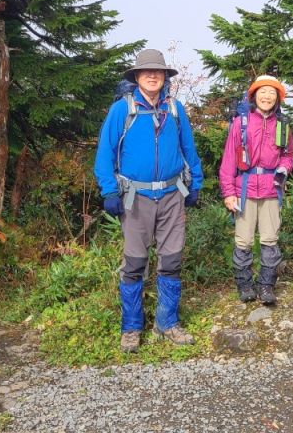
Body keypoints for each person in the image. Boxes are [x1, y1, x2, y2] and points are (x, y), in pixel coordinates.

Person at [94, 48, 205, 354]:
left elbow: (188, 150)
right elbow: (105, 154)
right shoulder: (122, 110)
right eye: (147, 72)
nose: (153, 76)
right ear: (137, 77)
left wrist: (195, 183)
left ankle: (167, 323)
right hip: (135, 197)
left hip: (171, 195)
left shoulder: (175, 109)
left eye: (159, 72)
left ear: (165, 77)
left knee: (171, 261)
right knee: (134, 263)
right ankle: (131, 328)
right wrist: (109, 191)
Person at [219, 75, 293, 305]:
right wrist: (229, 192)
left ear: (278, 98)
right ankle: (245, 285)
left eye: (272, 93)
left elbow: (288, 155)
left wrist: (283, 169)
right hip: (245, 188)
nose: (267, 96)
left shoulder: (282, 125)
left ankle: (266, 285)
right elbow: (228, 161)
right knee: (243, 240)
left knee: (270, 239)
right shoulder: (241, 124)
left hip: (272, 189)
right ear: (253, 96)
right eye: (262, 92)